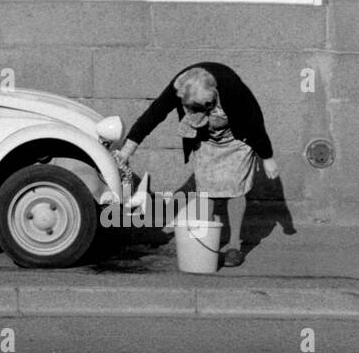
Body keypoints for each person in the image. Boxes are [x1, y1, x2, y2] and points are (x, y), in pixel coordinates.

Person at [115, 63, 278, 267]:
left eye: (204, 106)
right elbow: (153, 115)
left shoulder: (232, 87)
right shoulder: (181, 86)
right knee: (206, 188)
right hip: (208, 140)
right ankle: (206, 241)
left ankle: (234, 245)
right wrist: (127, 150)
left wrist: (268, 157)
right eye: (193, 107)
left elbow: (254, 121)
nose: (200, 110)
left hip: (237, 140)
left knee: (235, 188)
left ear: (213, 96)